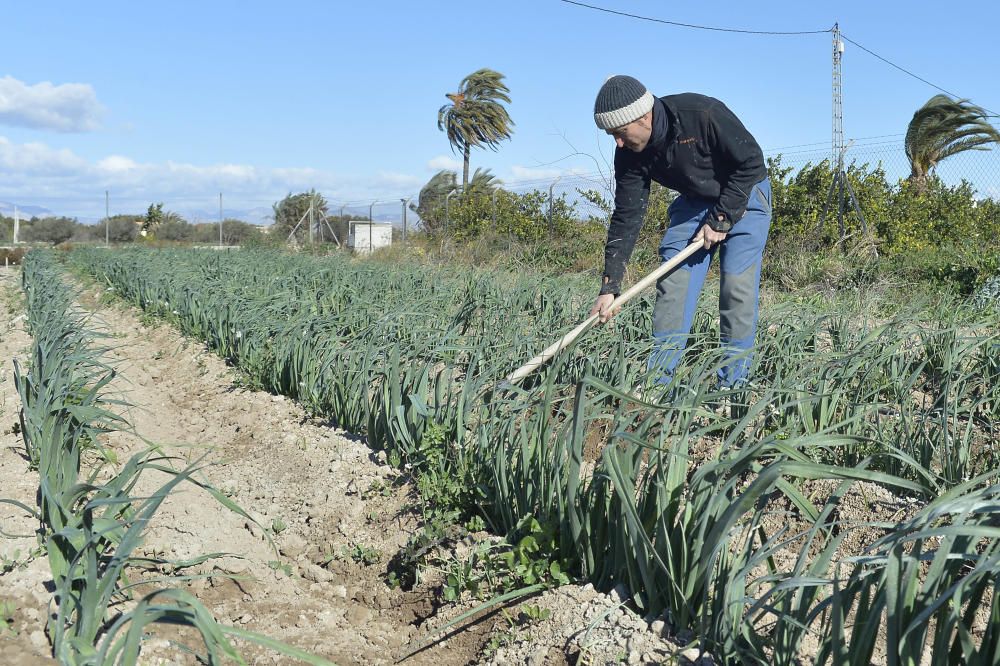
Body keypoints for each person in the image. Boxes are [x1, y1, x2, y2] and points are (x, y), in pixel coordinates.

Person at [589, 75, 771, 389]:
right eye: (611, 135)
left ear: (643, 117)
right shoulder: (629, 154)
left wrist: (722, 217)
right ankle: (657, 386)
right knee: (673, 284)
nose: (617, 143)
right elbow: (627, 215)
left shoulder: (701, 115)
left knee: (736, 290)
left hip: (745, 193)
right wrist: (610, 285)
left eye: (620, 133)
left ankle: (733, 387)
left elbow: (752, 162)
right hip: (694, 201)